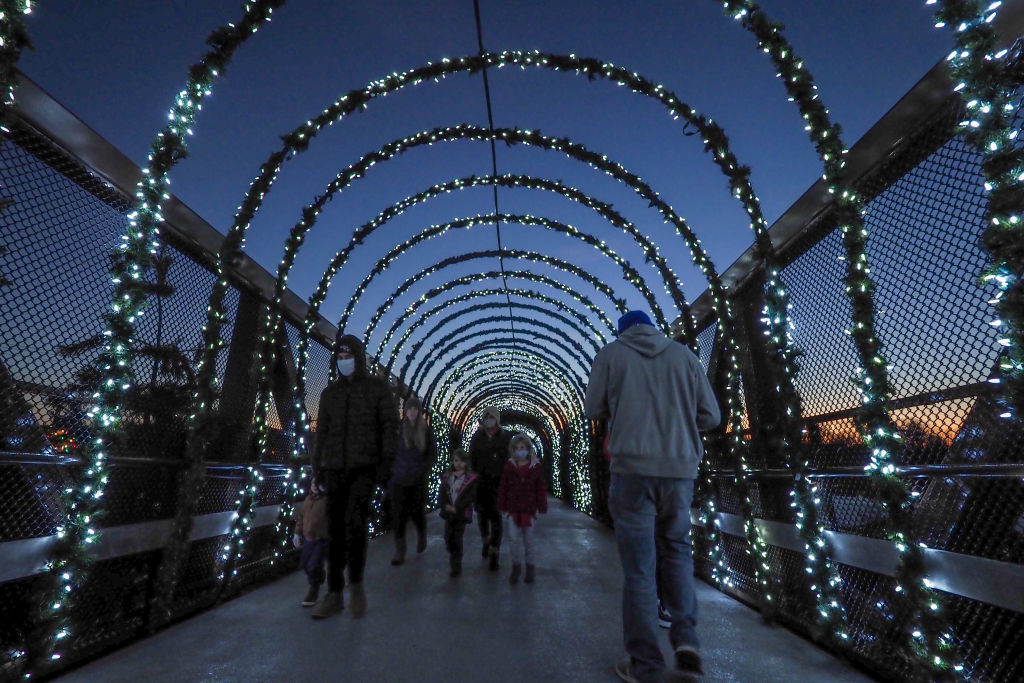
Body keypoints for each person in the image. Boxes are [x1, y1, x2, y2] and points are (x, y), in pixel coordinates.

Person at [585, 310, 721, 683]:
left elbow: (593, 408)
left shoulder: (611, 355)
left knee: (640, 569)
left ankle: (645, 665)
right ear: (653, 328)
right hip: (678, 473)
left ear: (623, 332)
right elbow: (711, 416)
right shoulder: (684, 356)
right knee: (676, 552)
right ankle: (687, 645)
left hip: (631, 473)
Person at [311, 334, 399, 620]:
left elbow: (389, 427)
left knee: (356, 523)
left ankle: (357, 586)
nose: (343, 361)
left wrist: (386, 465)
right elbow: (321, 432)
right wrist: (317, 469)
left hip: (365, 467)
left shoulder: (377, 389)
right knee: (334, 529)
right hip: (335, 467)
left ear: (358, 359)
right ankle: (335, 592)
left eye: (348, 356)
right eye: (340, 356)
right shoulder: (329, 394)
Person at [389, 396, 436, 566]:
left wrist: (423, 469)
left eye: (415, 409)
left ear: (419, 411)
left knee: (416, 512)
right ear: (405, 411)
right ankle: (400, 551)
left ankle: (422, 533)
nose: (412, 412)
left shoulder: (426, 430)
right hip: (399, 479)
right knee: (399, 516)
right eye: (409, 409)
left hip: (416, 479)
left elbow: (432, 453)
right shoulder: (399, 430)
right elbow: (391, 451)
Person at [497, 433, 548, 584]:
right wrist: (502, 505)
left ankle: (530, 568)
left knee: (529, 541)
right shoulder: (509, 466)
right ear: (513, 450)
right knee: (513, 540)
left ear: (528, 449)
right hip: (513, 508)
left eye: (523, 448)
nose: (520, 450)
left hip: (529, 509)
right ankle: (516, 566)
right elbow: (503, 487)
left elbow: (540, 488)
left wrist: (541, 505)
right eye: (517, 448)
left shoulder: (535, 467)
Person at [468, 406, 512, 571]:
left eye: (492, 417)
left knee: (496, 517)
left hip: (498, 483)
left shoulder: (505, 437)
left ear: (497, 419)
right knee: (482, 516)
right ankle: (486, 539)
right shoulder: (477, 437)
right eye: (487, 417)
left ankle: (495, 551)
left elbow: (509, 458)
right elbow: (471, 458)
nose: (489, 420)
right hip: (480, 482)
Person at [438, 448, 479, 577]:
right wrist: (445, 506)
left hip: (461, 514)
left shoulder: (470, 480)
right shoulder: (447, 478)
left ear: (466, 463)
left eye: (462, 461)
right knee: (448, 537)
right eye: (456, 461)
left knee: (457, 538)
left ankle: (456, 565)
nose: (459, 463)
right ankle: (452, 552)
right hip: (449, 513)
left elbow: (470, 497)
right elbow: (442, 495)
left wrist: (458, 508)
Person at [293, 476, 329, 607]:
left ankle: (314, 588)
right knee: (306, 564)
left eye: (317, 483)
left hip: (321, 539)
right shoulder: (308, 500)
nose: (314, 485)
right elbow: (302, 517)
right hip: (309, 539)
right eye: (313, 483)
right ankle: (317, 577)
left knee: (313, 564)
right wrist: (297, 533)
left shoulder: (326, 500)